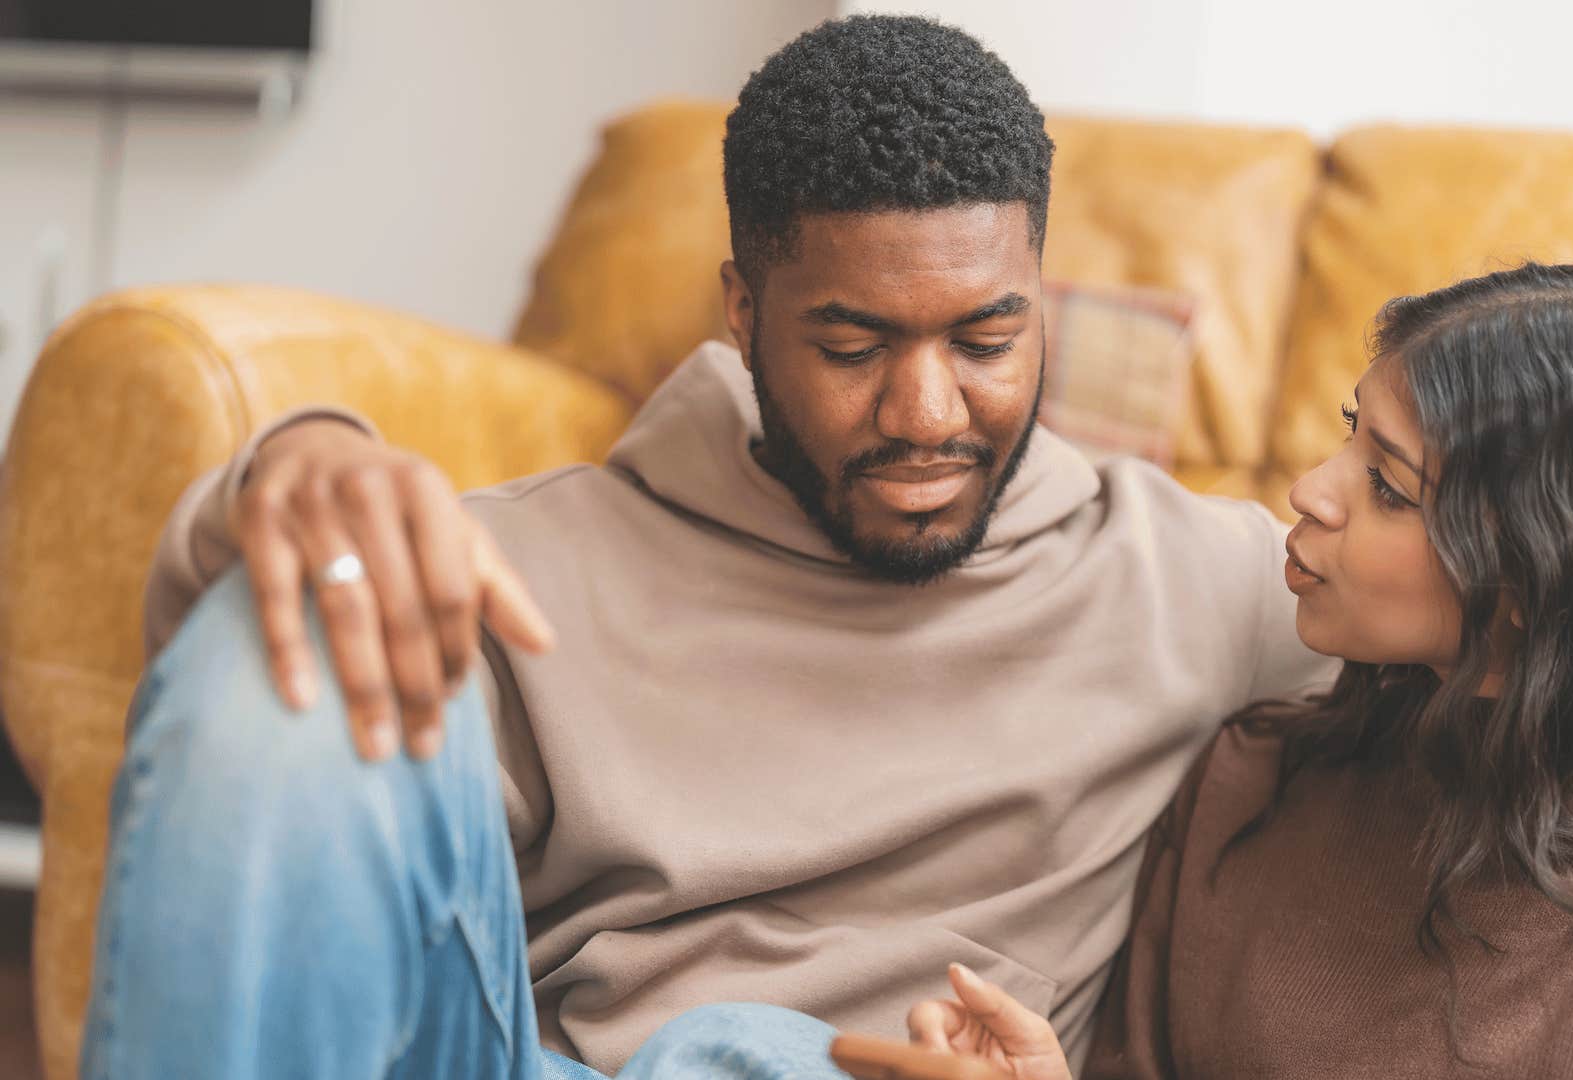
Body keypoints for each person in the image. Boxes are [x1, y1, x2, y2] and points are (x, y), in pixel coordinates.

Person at [77, 14, 1330, 1080]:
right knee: (305, 625)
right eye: (852, 349)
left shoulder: (1188, 577)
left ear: (1040, 298)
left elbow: (1491, 628)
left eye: (986, 342)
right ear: (744, 313)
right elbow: (240, 726)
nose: (929, 416)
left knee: (757, 1048)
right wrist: (291, 465)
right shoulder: (554, 555)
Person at [900, 264, 1573, 1077]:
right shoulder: (1252, 785)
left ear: (1537, 572)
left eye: (1389, 486)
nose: (1308, 491)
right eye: (1353, 437)